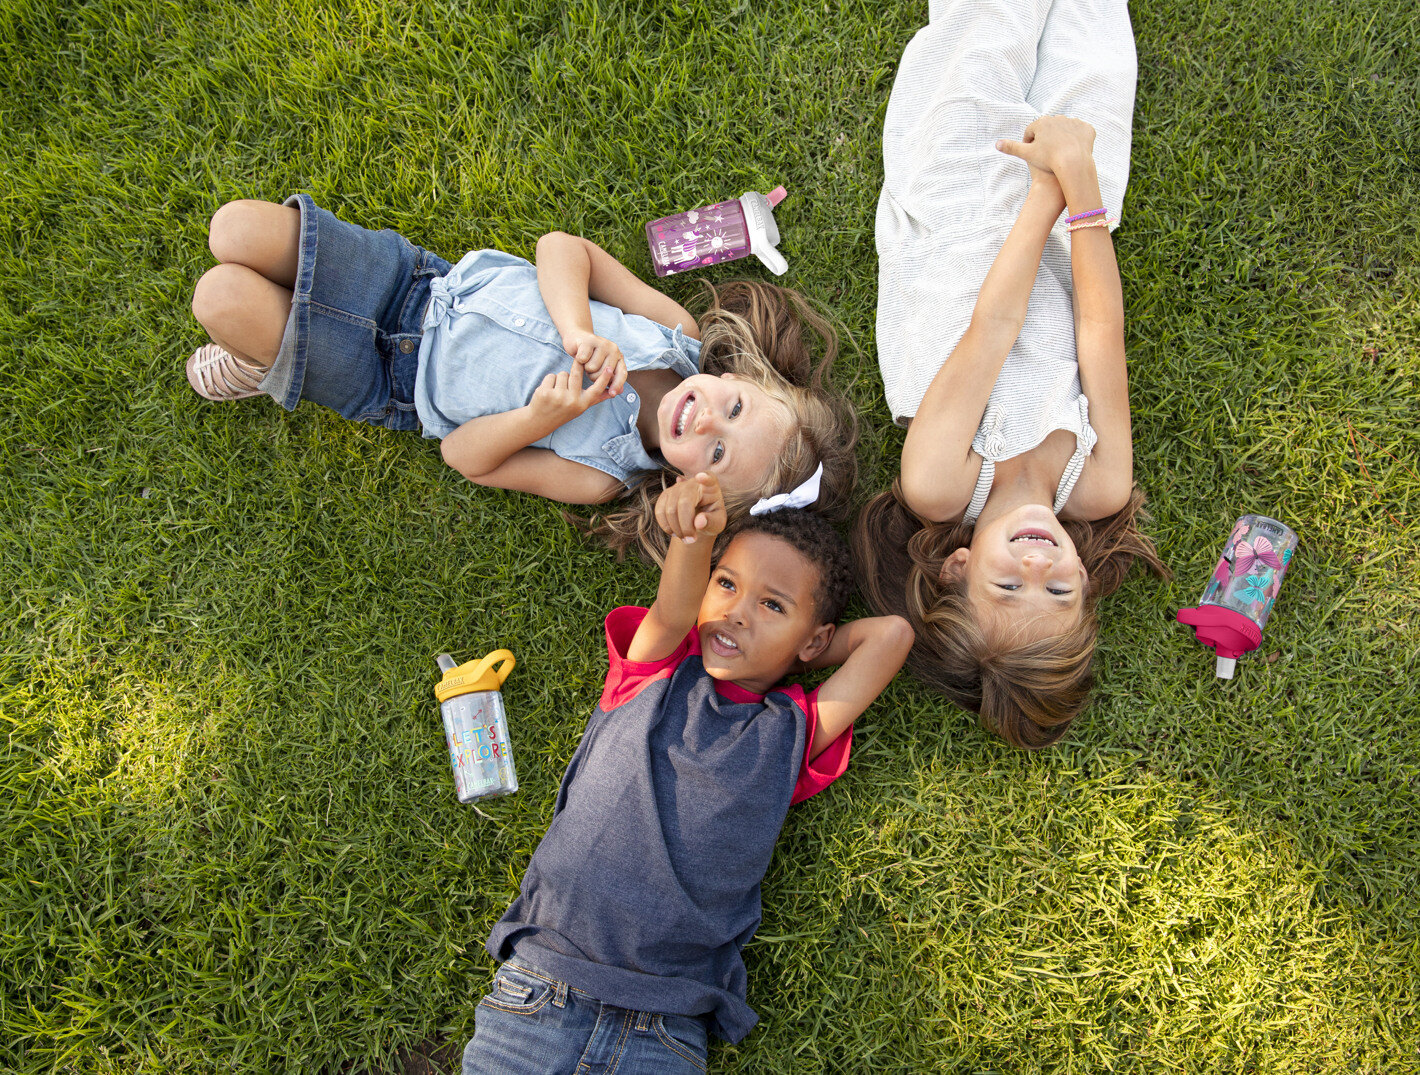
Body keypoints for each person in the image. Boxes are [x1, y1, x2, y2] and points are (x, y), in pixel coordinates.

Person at [460, 473, 913, 1072]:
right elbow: (675, 610)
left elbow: (891, 634)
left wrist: (805, 643)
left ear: (817, 639)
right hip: (541, 991)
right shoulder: (653, 672)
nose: (737, 613)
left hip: (665, 1031)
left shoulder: (790, 734)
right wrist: (697, 539)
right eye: (726, 585)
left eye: (771, 605)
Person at [185, 197, 857, 560]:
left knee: (218, 300)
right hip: (418, 282)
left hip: (392, 381)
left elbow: (463, 456)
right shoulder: (674, 333)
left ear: (692, 485)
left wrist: (543, 417)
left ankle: (259, 364)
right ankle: (271, 348)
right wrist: (578, 331)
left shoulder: (599, 473)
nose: (707, 421)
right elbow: (561, 250)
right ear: (741, 374)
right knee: (232, 230)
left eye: (716, 452)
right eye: (734, 408)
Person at [854, 0, 1168, 749]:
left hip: (958, 211)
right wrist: (1081, 190)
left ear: (958, 567)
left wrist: (1043, 190)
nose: (1038, 563)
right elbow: (1100, 333)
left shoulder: (940, 484)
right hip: (1068, 234)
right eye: (1057, 588)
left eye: (1008, 583)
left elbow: (991, 330)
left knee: (989, 31)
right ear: (1085, 583)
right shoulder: (1095, 485)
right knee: (1097, 58)